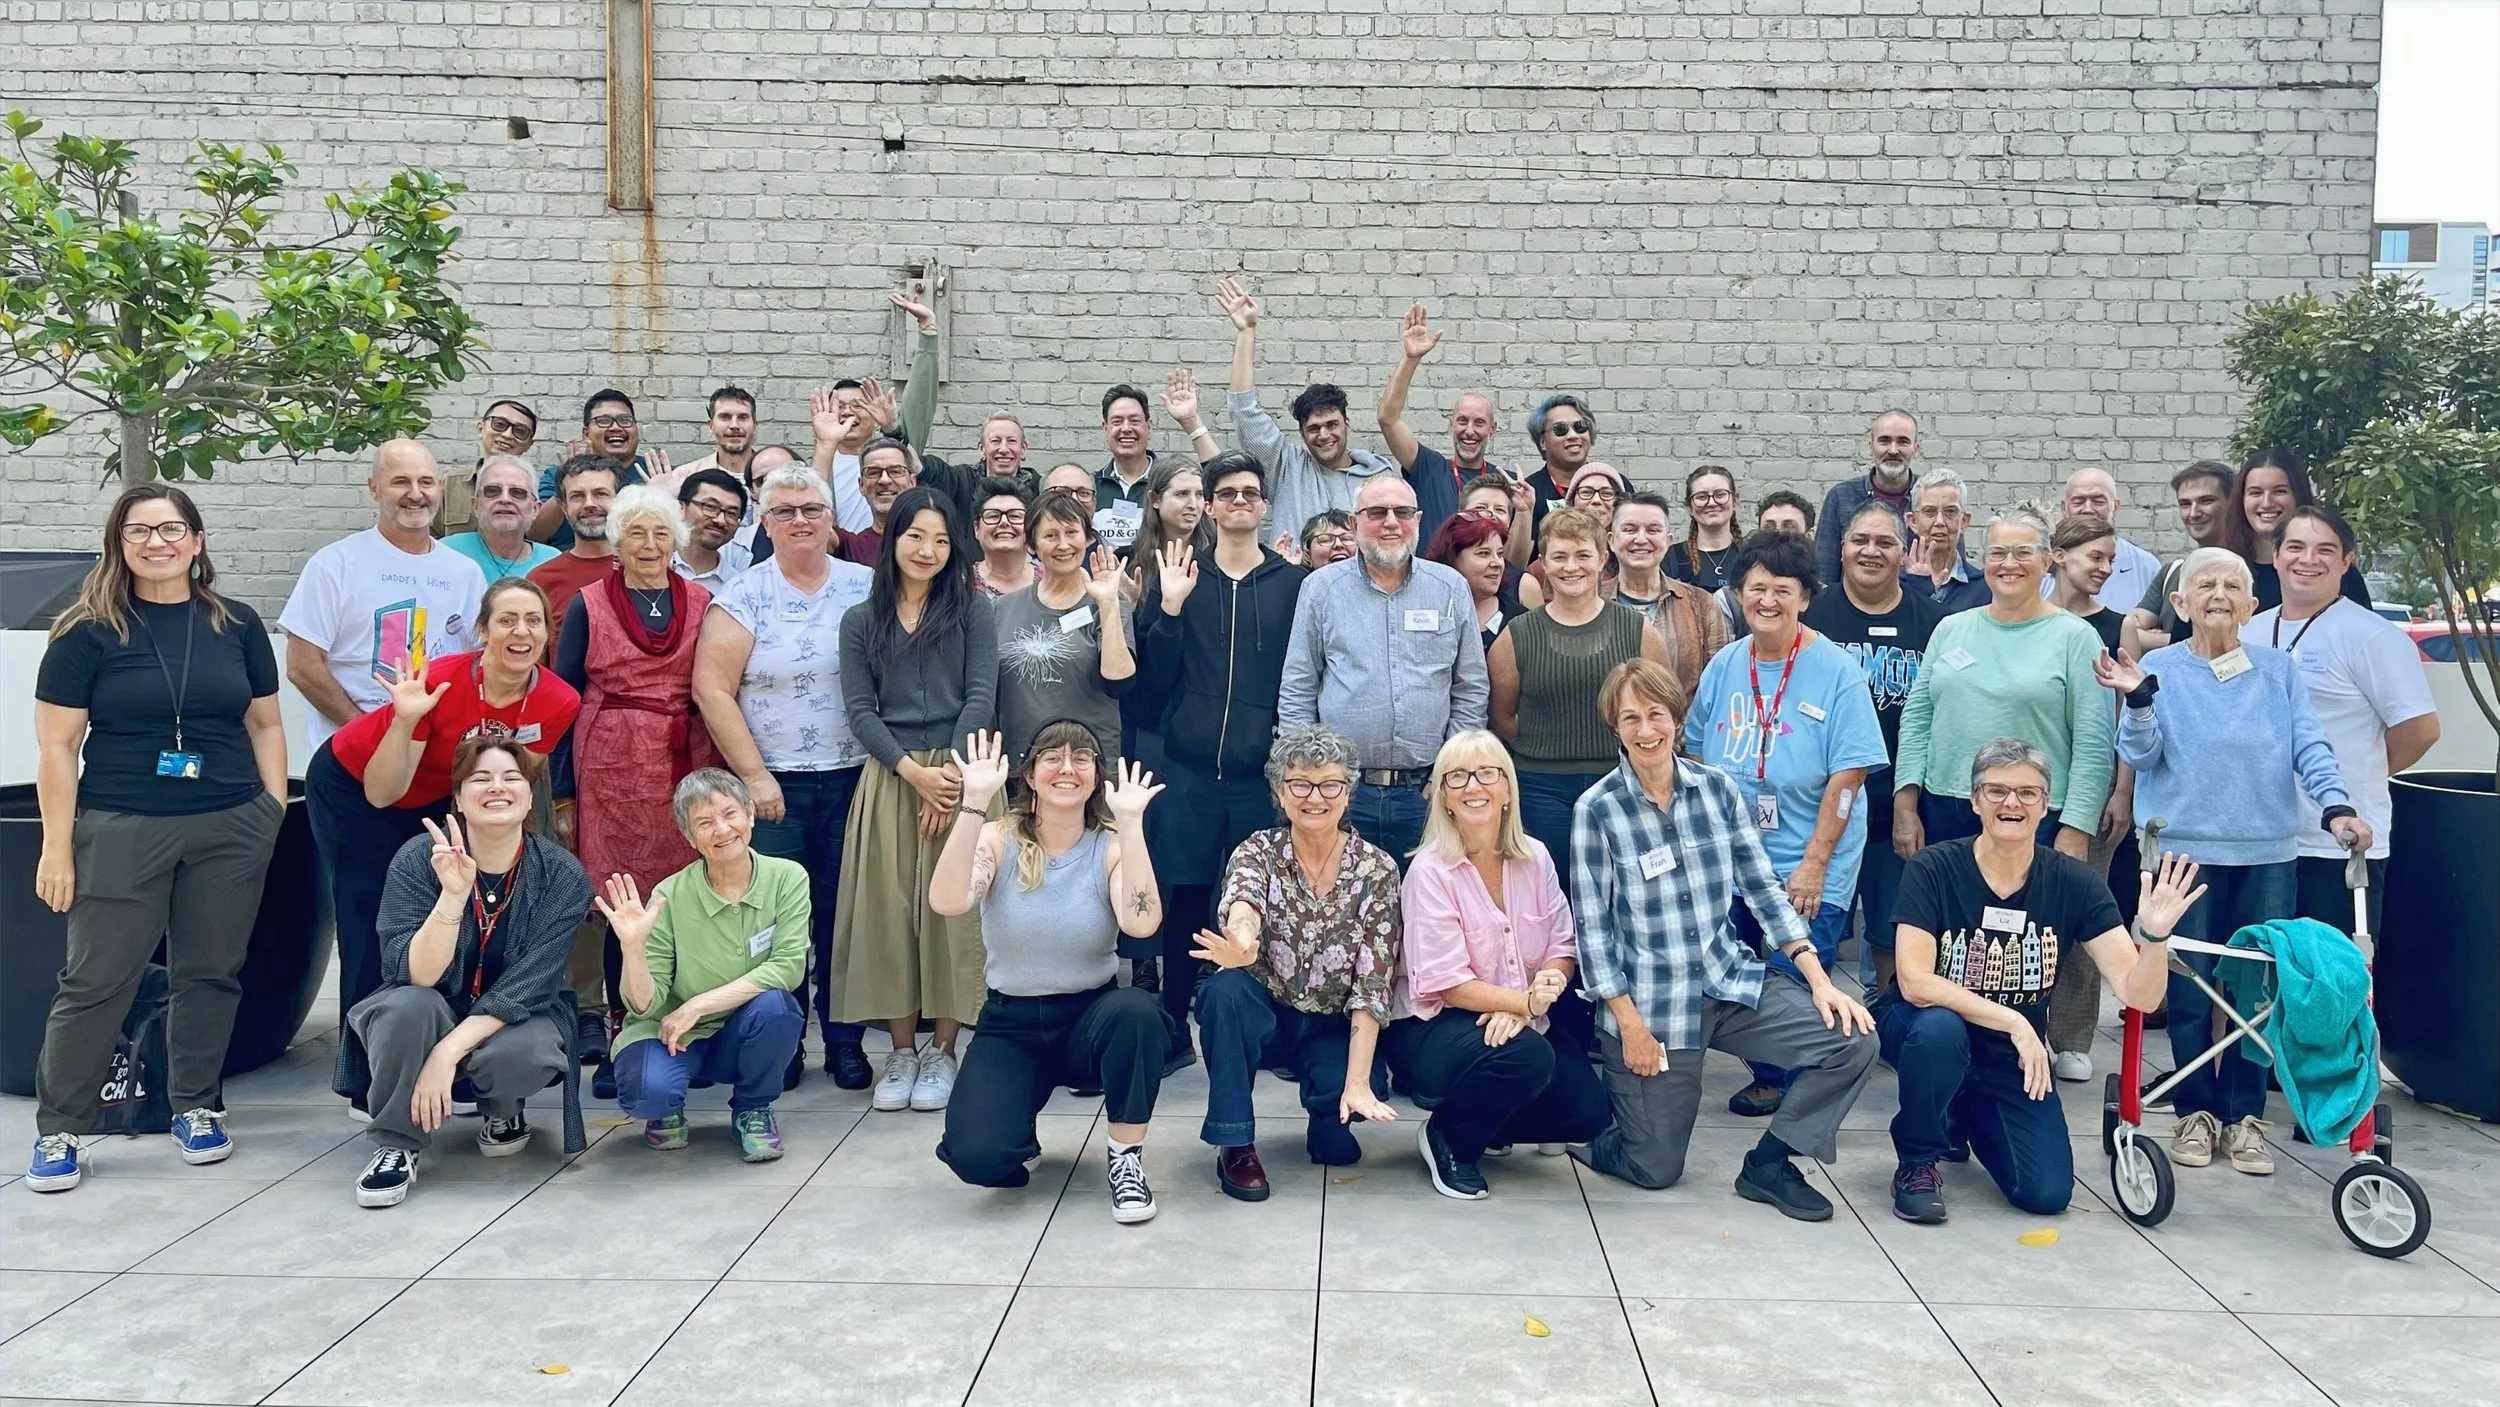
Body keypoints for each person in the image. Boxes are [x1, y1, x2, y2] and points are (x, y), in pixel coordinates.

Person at [27, 486, 288, 1191]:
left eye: (172, 528)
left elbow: (264, 721)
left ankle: (196, 1105)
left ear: (197, 542)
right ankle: (62, 1128)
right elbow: (57, 747)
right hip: (121, 824)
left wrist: (269, 809)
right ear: (119, 543)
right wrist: (58, 845)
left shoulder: (235, 625)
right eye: (138, 530)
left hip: (229, 823)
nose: (157, 541)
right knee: (95, 980)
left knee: (209, 972)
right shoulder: (85, 631)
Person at [1570, 658, 1878, 1219]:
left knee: (1852, 1039)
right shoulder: (1597, 810)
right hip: (1652, 1006)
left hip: (1727, 980)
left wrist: (1818, 980)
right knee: (1656, 1169)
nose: (1646, 730)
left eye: (1656, 714)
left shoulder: (1718, 790)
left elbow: (1763, 890)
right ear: (1614, 729)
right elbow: (1593, 935)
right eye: (1630, 718)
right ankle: (1610, 1135)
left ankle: (1771, 1163)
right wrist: (1631, 1028)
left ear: (1677, 719)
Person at [2095, 547, 2369, 1176]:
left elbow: (2310, 745)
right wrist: (2138, 702)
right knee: (2186, 988)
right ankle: (2195, 1111)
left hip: (2268, 854)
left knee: (2262, 990)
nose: (2217, 593)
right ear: (2182, 604)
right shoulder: (2158, 666)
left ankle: (2244, 1115)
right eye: (2203, 585)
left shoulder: (2279, 670)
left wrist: (2336, 809)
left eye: (2232, 586)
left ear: (2251, 606)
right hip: (2182, 855)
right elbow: (2139, 754)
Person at [1879, 737, 2200, 1223]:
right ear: (1974, 800)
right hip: (1924, 1026)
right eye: (1996, 791)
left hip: (2009, 1054)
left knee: (2045, 1193)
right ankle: (1918, 1160)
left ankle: (1962, 1110)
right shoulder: (1936, 867)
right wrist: (2016, 1022)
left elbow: (2139, 993)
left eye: (2028, 793)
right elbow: (1915, 981)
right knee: (1939, 1030)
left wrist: (2153, 938)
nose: (2012, 803)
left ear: (2046, 805)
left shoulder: (2073, 880)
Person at [310, 576, 580, 1040]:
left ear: (547, 633)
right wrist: (407, 719)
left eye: (533, 621)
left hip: (444, 794)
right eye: (507, 620)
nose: (521, 632)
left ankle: (442, 1041)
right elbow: (384, 794)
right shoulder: (440, 682)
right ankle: (363, 1068)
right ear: (482, 631)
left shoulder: (558, 700)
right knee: (371, 909)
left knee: (452, 904)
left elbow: (517, 783)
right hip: (357, 782)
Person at [1682, 531, 1889, 1117]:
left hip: (1807, 858)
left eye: (1782, 589)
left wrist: (1815, 865)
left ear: (1804, 597)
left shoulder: (1836, 670)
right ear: (1739, 594)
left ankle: (1807, 1072)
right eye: (1755, 589)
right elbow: (1695, 752)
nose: (1767, 600)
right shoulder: (1727, 663)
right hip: (1735, 859)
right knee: (1742, 968)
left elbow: (1848, 777)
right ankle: (1772, 1073)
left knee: (1794, 975)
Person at [929, 727, 1171, 1223]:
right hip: (1011, 1022)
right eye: (1052, 758)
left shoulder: (1109, 845)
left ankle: (1126, 1160)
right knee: (979, 1159)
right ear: (1030, 776)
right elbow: (948, 901)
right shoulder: (997, 838)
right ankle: (1015, 1131)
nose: (1067, 768)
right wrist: (974, 804)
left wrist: (1131, 826)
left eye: (1082, 758)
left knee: (1138, 1011)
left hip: (1090, 1020)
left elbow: (1141, 922)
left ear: (1097, 778)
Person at [693, 465, 878, 1090]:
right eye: (786, 511)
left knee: (845, 912)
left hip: (856, 775)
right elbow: (713, 689)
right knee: (781, 918)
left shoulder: (865, 585)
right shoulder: (745, 594)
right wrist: (755, 777)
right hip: (775, 788)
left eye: (812, 509)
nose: (801, 520)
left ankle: (846, 1040)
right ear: (764, 523)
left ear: (832, 519)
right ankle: (786, 1040)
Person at [346, 740, 588, 1207]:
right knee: (404, 1008)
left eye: (511, 778)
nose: (497, 788)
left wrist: (444, 1055)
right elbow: (413, 973)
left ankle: (503, 1112)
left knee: (530, 1049)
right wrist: (452, 899)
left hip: (517, 1014)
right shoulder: (419, 859)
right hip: (430, 1003)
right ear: (458, 797)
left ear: (529, 794)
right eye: (481, 778)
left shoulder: (562, 875)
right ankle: (397, 1143)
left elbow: (529, 985)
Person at [1386, 731, 1611, 1199]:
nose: (1474, 787)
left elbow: (1562, 943)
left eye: (1488, 773)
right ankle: (1447, 1136)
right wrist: (1524, 1002)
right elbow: (1445, 982)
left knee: (1589, 1112)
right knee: (1527, 1058)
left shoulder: (1536, 856)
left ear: (1507, 788)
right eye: (1457, 777)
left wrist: (1549, 978)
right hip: (1432, 1024)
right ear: (1443, 797)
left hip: (1517, 1014)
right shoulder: (1429, 870)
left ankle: (1491, 1120)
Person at [1135, 452, 1307, 1057]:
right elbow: (1151, 684)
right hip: (1189, 771)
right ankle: (1175, 1028)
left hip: (1260, 777)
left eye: (1249, 493)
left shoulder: (1294, 583)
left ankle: (1269, 1035)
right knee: (1186, 898)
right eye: (1227, 493)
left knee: (1265, 901)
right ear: (1208, 506)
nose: (1239, 502)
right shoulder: (1179, 573)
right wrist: (1173, 609)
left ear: (1263, 506)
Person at [833, 486, 998, 1114]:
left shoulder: (972, 611)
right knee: (891, 910)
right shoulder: (861, 620)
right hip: (891, 778)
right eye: (913, 536)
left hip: (965, 774)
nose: (926, 550)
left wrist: (950, 781)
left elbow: (981, 694)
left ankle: (944, 1048)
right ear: (892, 540)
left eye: (939, 538)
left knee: (954, 914)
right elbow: (859, 711)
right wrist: (913, 775)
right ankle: (901, 1049)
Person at [1193, 725, 1403, 1197]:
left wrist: (1357, 1085)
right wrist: (1242, 944)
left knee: (1337, 1147)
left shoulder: (1377, 868)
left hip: (1331, 1023)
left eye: (1330, 784)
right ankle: (1236, 1143)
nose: (1315, 798)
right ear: (1279, 793)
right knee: (1225, 990)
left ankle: (1330, 1105)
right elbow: (1243, 901)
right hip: (1266, 1014)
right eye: (1300, 785)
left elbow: (1374, 985)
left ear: (1348, 792)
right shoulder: (1259, 850)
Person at [550, 486, 721, 1064]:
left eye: (660, 532)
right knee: (607, 887)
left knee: (682, 887)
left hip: (683, 758)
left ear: (677, 540)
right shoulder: (589, 602)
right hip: (609, 764)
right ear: (617, 541)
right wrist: (562, 792)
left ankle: (680, 1005)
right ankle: (602, 1013)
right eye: (636, 533)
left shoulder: (700, 601)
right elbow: (563, 696)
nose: (649, 544)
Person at [594, 769, 809, 1163]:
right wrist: (633, 949)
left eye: (731, 814)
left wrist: (695, 1007)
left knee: (778, 1007)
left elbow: (787, 968)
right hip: (668, 1035)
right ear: (690, 837)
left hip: (739, 1028)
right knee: (648, 1095)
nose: (723, 829)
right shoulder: (669, 894)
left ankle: (753, 1108)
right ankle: (666, 1108)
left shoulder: (787, 878)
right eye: (705, 823)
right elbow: (643, 1005)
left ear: (750, 814)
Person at [2247, 505, 2440, 938]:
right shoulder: (2249, 633)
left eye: (2325, 550)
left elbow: (2420, 730)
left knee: (2331, 983)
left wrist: (2362, 772)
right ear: (2275, 556)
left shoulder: (2373, 636)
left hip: (2338, 845)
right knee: (2260, 982)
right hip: (2262, 840)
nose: (2307, 560)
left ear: (2346, 561)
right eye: (2295, 547)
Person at [1279, 475, 1489, 864]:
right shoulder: (1321, 589)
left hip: (1426, 794)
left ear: (1418, 520)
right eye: (1377, 513)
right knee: (1342, 916)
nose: (1391, 522)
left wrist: (1450, 772)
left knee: (1426, 914)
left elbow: (1471, 687)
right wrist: (1309, 779)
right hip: (1341, 794)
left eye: (1402, 512)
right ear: (1355, 523)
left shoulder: (1450, 588)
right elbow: (1298, 687)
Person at [1894, 515, 2114, 863]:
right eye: (1998, 553)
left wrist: (2076, 827)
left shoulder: (2076, 637)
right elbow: (1918, 721)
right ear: (1984, 562)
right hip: (1944, 808)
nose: (2008, 564)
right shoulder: (1950, 630)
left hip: (2036, 814)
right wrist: (1905, 804)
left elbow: (2094, 743)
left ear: (2046, 561)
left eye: (2022, 553)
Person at [1802, 501, 1944, 991]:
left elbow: (1936, 718)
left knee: (1892, 933)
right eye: (1860, 540)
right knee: (1808, 932)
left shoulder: (1933, 622)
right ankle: (1810, 1031)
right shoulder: (1810, 618)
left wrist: (1911, 801)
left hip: (1896, 806)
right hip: (1817, 804)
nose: (1871, 551)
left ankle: (1889, 1028)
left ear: (1904, 554)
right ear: (1841, 548)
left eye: (1885, 542)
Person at [281, 439, 487, 751]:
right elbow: (302, 667)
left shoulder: (466, 573)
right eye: (401, 482)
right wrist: (368, 732)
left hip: (435, 752)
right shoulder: (334, 564)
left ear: (439, 489)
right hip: (349, 750)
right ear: (374, 489)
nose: (416, 494)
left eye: (426, 482)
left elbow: (479, 662)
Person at [1490, 507, 1667, 868]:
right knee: (1553, 889)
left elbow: (1661, 710)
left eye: (1583, 555)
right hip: (1542, 788)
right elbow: (1502, 716)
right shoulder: (1517, 636)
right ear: (1543, 563)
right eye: (1559, 556)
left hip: (1621, 780)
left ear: (1603, 559)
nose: (1571, 566)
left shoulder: (1639, 632)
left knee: (1625, 884)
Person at [1214, 276, 1396, 541]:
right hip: (1296, 581)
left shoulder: (1378, 476)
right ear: (1302, 434)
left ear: (1347, 425)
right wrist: (1246, 333)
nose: (1323, 435)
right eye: (1313, 428)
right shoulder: (1286, 467)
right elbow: (1244, 411)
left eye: (1332, 425)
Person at [993, 490, 1136, 765]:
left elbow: (1119, 681)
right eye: (1050, 535)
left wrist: (1107, 603)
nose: (1063, 544)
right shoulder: (1001, 608)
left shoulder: (1107, 603)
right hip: (1019, 763)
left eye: (1072, 532)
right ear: (1032, 544)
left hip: (1088, 764)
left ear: (1088, 538)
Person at [1376, 302, 1502, 541]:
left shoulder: (1500, 481)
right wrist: (1411, 359)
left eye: (1479, 423)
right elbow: (1387, 418)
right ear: (1451, 424)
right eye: (1462, 421)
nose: (1469, 431)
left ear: (1492, 430)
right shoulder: (1429, 468)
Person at [1602, 491, 1727, 691]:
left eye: (1653, 530)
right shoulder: (1593, 601)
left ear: (1668, 541)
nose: (1641, 539)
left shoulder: (1702, 605)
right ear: (1611, 540)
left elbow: (1720, 682)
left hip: (1684, 721)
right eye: (1630, 529)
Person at [2223, 449, 2373, 614]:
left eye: (2280, 491)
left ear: (2298, 496)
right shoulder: (2219, 567)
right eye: (2256, 493)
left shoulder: (2333, 570)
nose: (2266, 503)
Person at [2124, 460, 2234, 653]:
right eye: (2185, 504)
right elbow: (2128, 630)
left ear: (2232, 503)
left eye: (2206, 501)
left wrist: (2167, 641)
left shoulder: (2247, 572)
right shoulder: (2172, 572)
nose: (2193, 513)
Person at [531, 390, 660, 550]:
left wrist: (667, 495)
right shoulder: (557, 476)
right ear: (586, 433)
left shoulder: (660, 475)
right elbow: (534, 534)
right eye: (604, 421)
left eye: (625, 420)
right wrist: (569, 485)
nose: (615, 427)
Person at [1815, 409, 1923, 589]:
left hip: (1918, 611)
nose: (1893, 450)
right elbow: (1824, 574)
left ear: (1916, 449)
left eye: (1903, 441)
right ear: (1871, 447)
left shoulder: (1931, 501)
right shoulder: (1840, 497)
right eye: (1884, 441)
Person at [525, 454, 625, 622]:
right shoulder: (540, 580)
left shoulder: (645, 569)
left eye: (600, 493)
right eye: (577, 496)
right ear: (563, 507)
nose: (589, 504)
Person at [2046, 468, 2161, 612]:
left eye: (2098, 501)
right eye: (2078, 501)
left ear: (2116, 507)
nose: (2088, 509)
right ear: (2064, 508)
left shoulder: (2146, 566)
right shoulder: (2040, 566)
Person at [1424, 508, 1528, 654]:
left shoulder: (1522, 621)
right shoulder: (1424, 612)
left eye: (1500, 554)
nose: (1497, 563)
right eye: (1484, 553)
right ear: (1451, 558)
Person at [442, 455, 559, 581]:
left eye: (517, 492)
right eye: (492, 491)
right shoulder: (446, 553)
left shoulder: (553, 562)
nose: (505, 499)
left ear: (535, 509)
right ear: (475, 505)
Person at [438, 397, 539, 538]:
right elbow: (431, 537)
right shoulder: (451, 484)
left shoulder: (531, 490)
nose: (507, 435)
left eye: (520, 431)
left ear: (529, 444)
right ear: (481, 428)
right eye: (499, 424)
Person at [1901, 469, 1988, 614]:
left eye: (1950, 512)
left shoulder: (1984, 587)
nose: (1940, 522)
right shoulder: (1896, 585)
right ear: (1913, 522)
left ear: (1964, 521)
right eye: (1929, 511)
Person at [1123, 458, 1209, 598]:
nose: (1193, 504)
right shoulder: (1128, 560)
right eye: (1182, 494)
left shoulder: (1217, 557)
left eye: (1199, 494)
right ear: (1155, 499)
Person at [1519, 393, 1597, 538]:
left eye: (1580, 427)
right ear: (1542, 442)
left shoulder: (1614, 485)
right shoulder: (1529, 494)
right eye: (1560, 429)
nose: (1573, 435)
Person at [834, 435, 917, 567]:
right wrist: (825, 444)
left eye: (895, 471)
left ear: (912, 482)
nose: (884, 480)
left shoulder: (935, 543)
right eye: (873, 472)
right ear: (861, 485)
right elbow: (815, 524)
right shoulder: (852, 547)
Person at [672, 468, 752, 594]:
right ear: (681, 508)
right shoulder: (650, 564)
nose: (720, 521)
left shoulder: (737, 587)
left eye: (731, 514)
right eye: (710, 507)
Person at [1667, 465, 1743, 592]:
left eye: (1720, 495)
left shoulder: (1752, 556)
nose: (1712, 503)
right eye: (1701, 497)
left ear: (1734, 501)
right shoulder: (1671, 558)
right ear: (1689, 507)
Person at [674, 385, 759, 487]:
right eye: (725, 417)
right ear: (711, 426)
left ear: (754, 426)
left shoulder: (776, 474)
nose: (734, 425)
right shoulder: (685, 477)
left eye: (743, 417)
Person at [972, 478, 1038, 598]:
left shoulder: (1052, 581)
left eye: (1014, 516)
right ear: (977, 529)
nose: (1004, 522)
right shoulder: (959, 585)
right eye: (993, 516)